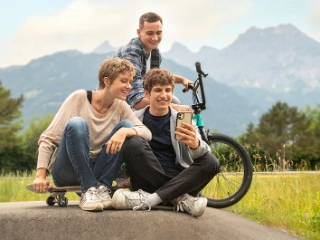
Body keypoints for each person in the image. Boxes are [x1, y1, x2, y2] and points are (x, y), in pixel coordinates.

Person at [31, 58, 151, 212]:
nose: (129, 86)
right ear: (107, 81)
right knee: (76, 124)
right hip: (68, 171)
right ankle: (88, 189)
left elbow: (147, 133)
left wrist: (124, 132)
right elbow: (48, 138)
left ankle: (102, 188)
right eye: (123, 81)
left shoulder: (121, 106)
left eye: (130, 81)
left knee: (127, 126)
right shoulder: (79, 98)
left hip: (98, 169)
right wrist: (40, 175)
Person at [111, 68, 220, 217]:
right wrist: (121, 178)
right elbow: (116, 151)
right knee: (134, 142)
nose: (164, 95)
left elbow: (203, 151)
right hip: (147, 180)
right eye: (158, 90)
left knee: (211, 161)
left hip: (180, 179)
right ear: (147, 94)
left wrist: (195, 145)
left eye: (168, 90)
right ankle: (179, 198)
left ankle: (150, 200)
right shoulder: (134, 118)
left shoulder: (183, 119)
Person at [112, 12, 193, 111]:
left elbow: (156, 78)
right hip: (116, 103)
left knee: (173, 100)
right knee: (172, 105)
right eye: (150, 33)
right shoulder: (132, 52)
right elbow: (137, 101)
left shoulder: (154, 51)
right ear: (139, 32)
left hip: (134, 99)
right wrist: (175, 108)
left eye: (158, 32)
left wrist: (182, 80)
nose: (155, 38)